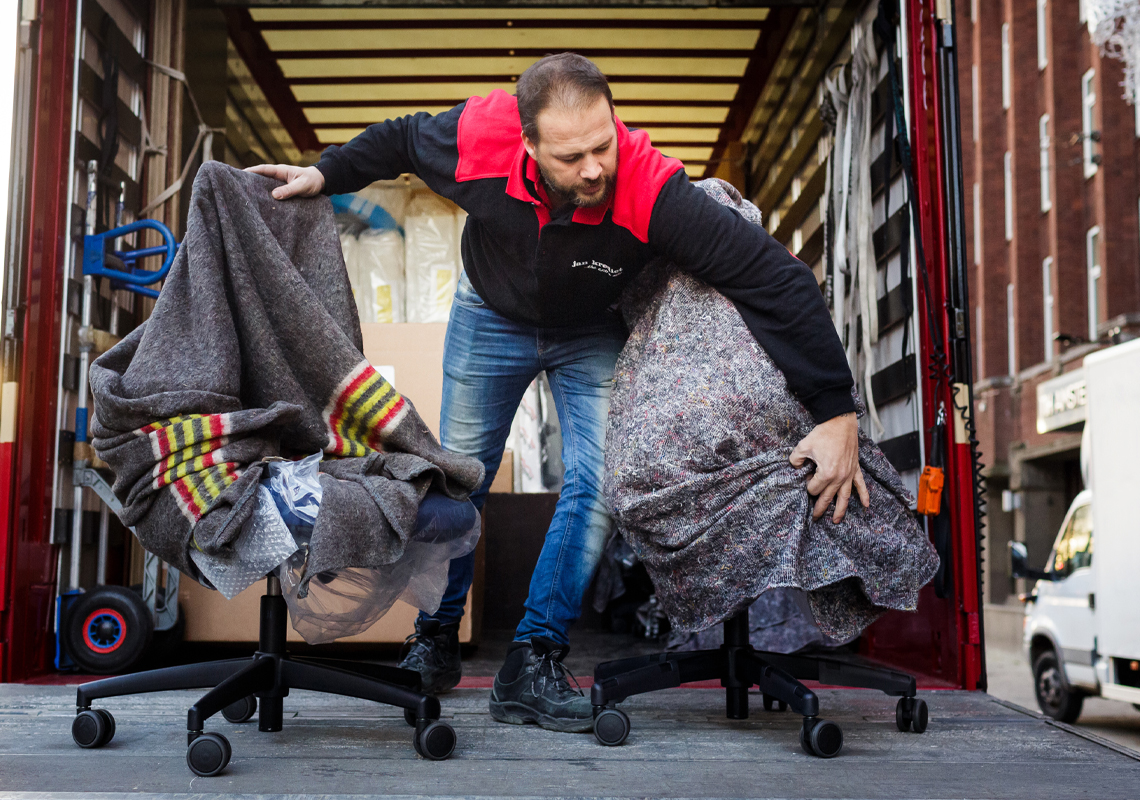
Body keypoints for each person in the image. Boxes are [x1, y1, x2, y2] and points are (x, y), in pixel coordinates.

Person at [248, 53, 868, 734]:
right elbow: (397, 139)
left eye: (603, 145)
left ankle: (534, 658)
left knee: (599, 482)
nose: (596, 169)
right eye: (572, 158)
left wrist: (835, 409)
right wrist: (328, 171)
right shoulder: (476, 137)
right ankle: (435, 636)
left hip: (590, 331)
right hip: (489, 316)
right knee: (456, 478)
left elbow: (773, 277)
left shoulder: (650, 187)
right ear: (529, 144)